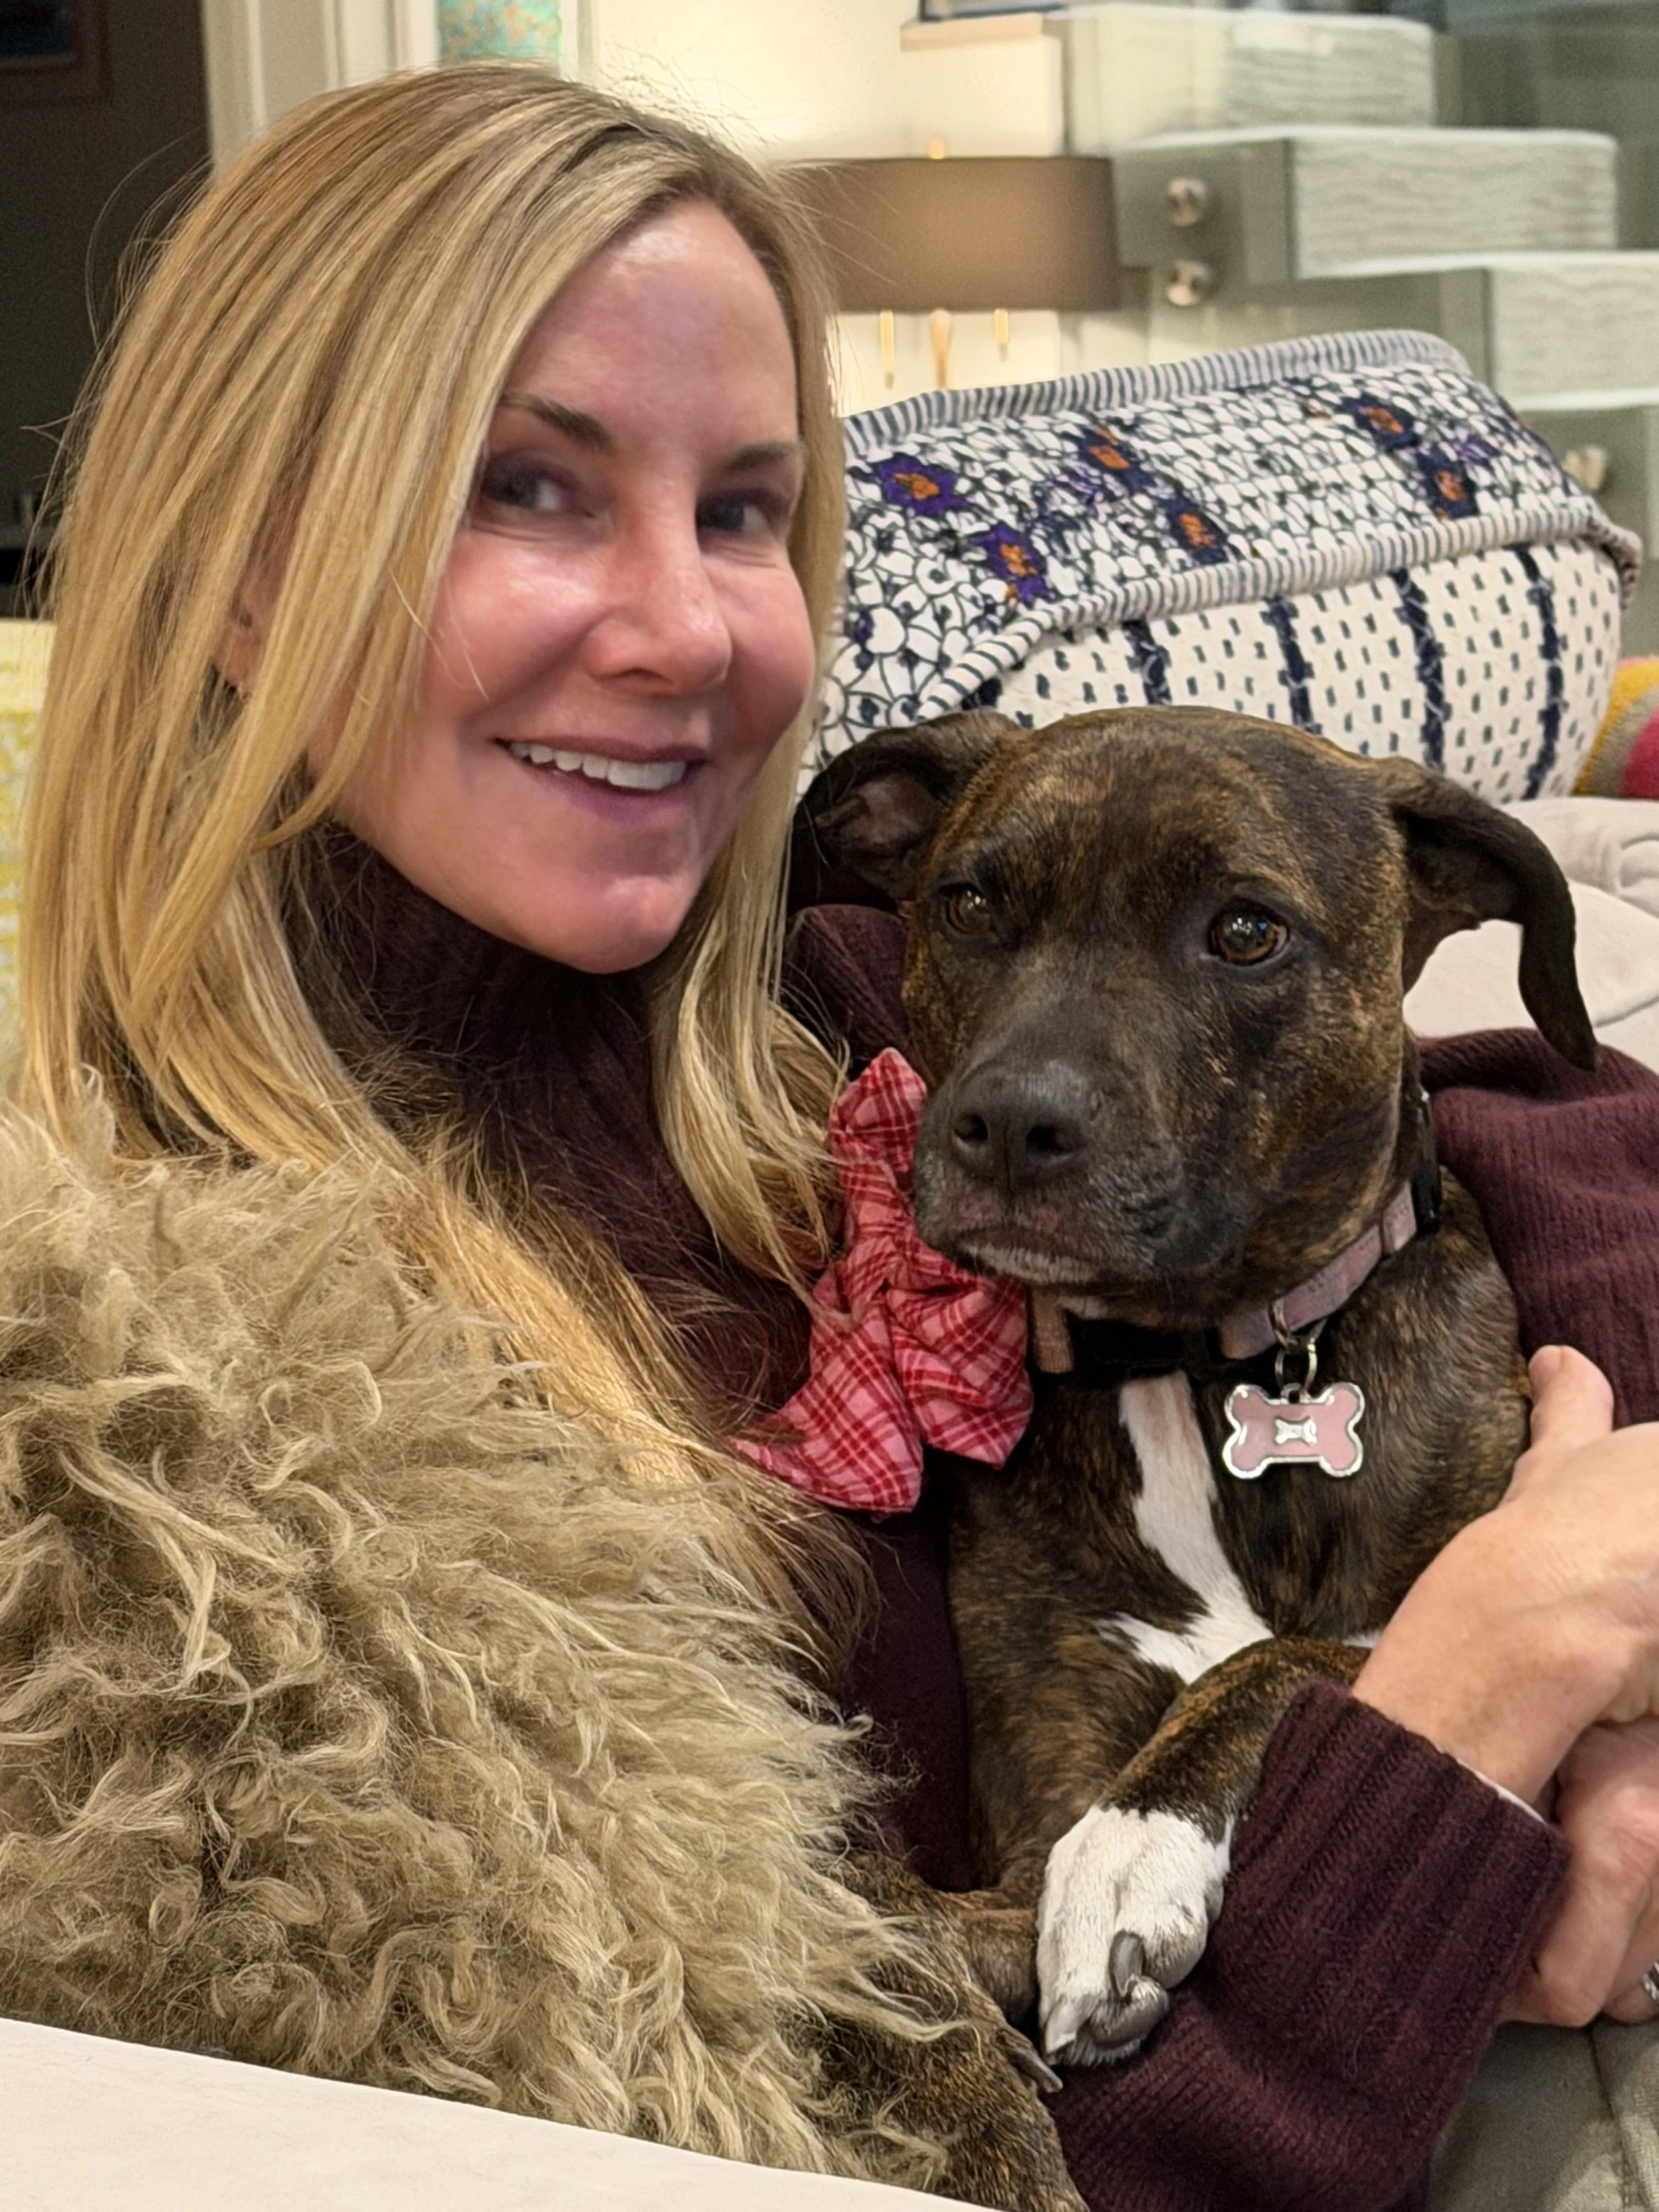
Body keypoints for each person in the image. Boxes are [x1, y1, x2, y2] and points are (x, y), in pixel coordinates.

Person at [12, 58, 1659, 2212]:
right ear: (243, 573)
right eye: (524, 486)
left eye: (740, 512)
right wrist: (1462, 1710)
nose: (689, 630)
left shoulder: (837, 996)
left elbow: (1508, 1107)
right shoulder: (175, 1450)